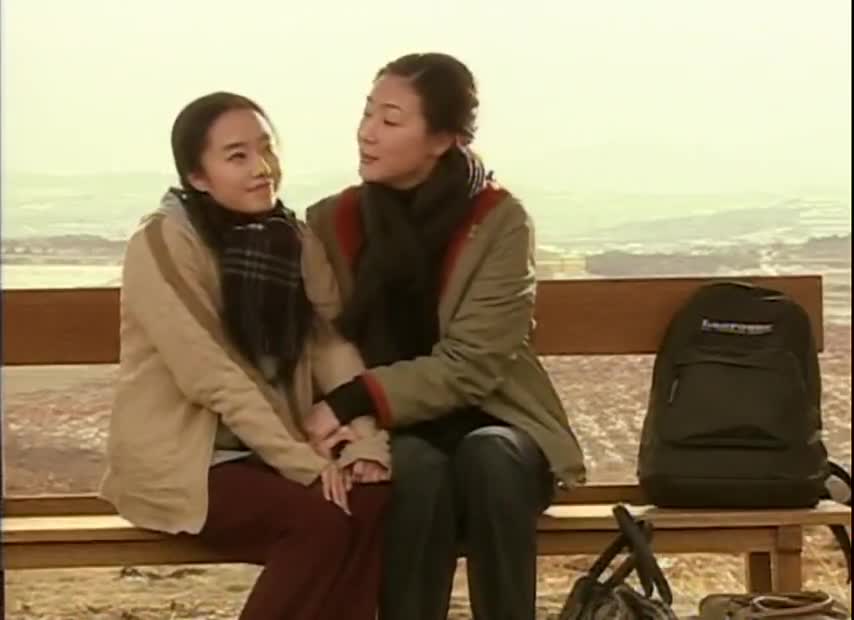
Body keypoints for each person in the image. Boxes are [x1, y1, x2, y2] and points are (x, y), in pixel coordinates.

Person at [303, 53, 587, 620]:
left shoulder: (498, 221)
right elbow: (320, 339)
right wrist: (352, 421)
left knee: (490, 457)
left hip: (494, 420)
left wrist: (353, 397)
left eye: (390, 119)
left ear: (443, 139)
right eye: (368, 113)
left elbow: (471, 365)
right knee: (414, 466)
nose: (367, 132)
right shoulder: (332, 222)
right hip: (386, 434)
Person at [100, 91, 391, 620]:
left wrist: (367, 439)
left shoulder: (292, 237)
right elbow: (209, 373)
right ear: (198, 177)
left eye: (267, 148)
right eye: (237, 156)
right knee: (317, 523)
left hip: (272, 446)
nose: (262, 168)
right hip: (190, 459)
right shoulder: (164, 242)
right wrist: (302, 464)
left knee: (370, 498)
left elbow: (328, 344)